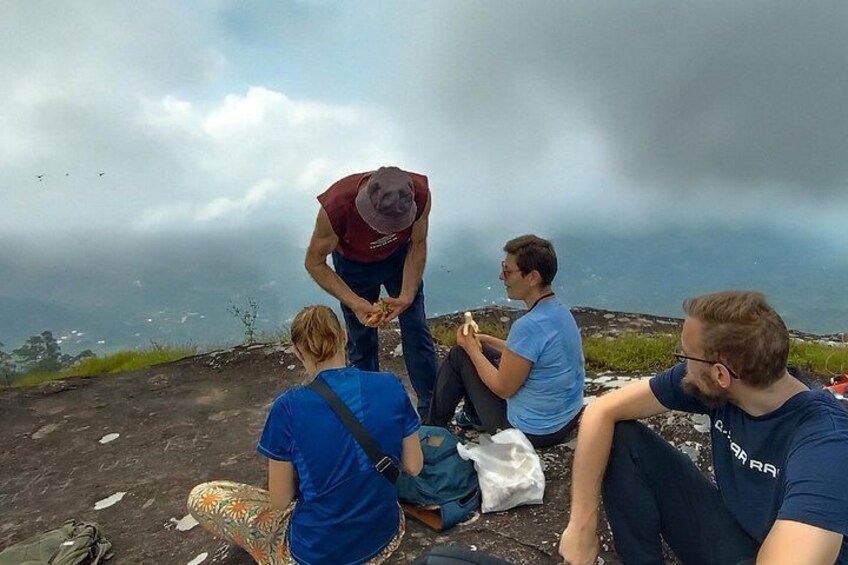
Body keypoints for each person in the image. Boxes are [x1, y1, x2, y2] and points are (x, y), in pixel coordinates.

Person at [558, 291, 848, 565]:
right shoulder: (725, 385)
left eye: (686, 356)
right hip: (736, 533)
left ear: (720, 373)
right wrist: (581, 525)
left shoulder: (826, 446)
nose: (683, 366)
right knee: (623, 438)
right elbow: (602, 410)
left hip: (775, 554)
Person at [188, 305, 423, 565]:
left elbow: (280, 500)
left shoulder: (288, 407)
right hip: (385, 536)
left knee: (203, 496)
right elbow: (413, 466)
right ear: (344, 337)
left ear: (298, 352)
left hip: (317, 555)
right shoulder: (389, 384)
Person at [426, 235, 585, 449]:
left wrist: (472, 351)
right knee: (480, 351)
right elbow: (525, 355)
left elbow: (503, 389)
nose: (502, 277)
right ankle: (472, 416)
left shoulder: (528, 326)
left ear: (532, 277)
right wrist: (485, 341)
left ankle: (432, 428)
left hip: (529, 432)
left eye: (508, 271)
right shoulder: (560, 312)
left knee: (460, 356)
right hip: (564, 420)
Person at [305, 166, 437, 414]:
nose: (385, 229)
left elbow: (418, 244)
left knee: (417, 330)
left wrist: (407, 296)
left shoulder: (420, 194)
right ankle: (371, 412)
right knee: (361, 339)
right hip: (354, 265)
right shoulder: (337, 207)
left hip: (400, 259)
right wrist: (354, 302)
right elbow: (314, 261)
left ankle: (433, 409)